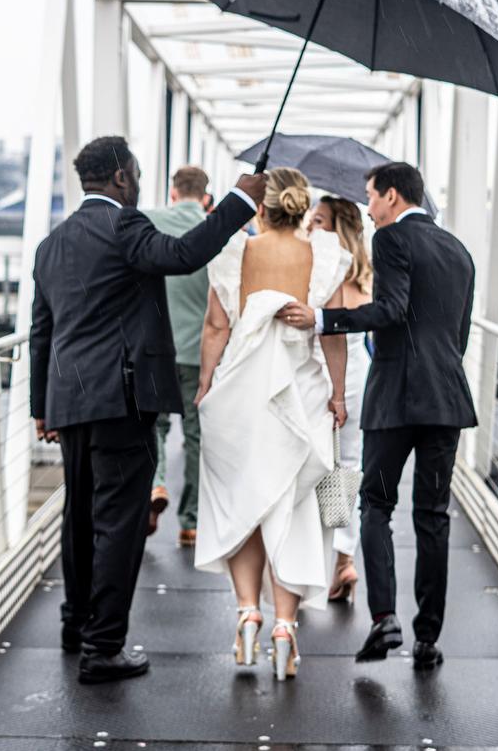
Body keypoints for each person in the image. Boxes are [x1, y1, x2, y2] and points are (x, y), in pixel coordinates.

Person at [29, 135, 266, 685]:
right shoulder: (125, 227)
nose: (137, 183)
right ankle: (103, 647)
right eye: (134, 173)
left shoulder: (52, 243)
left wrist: (42, 405)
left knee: (80, 517)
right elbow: (182, 257)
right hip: (122, 397)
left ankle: (76, 625)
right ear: (119, 178)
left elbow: (43, 331)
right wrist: (239, 201)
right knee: (119, 522)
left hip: (71, 400)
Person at [277, 162, 476, 672]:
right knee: (432, 517)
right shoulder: (459, 251)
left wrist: (323, 318)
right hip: (446, 400)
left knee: (376, 505)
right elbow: (458, 334)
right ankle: (428, 638)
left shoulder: (389, 240)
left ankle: (384, 617)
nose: (368, 206)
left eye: (371, 196)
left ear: (392, 195)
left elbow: (391, 310)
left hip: (394, 400)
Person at [195, 167, 351, 681]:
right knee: (294, 505)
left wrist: (204, 384)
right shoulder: (322, 255)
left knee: (243, 498)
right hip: (300, 388)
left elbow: (217, 326)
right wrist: (339, 392)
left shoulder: (234, 252)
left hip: (241, 386)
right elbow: (331, 333)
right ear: (303, 207)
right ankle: (285, 626)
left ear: (259, 206)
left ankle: (247, 613)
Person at [144, 165, 214, 547]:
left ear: (173, 193)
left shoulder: (150, 222)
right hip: (197, 351)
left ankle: (154, 485)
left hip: (156, 347)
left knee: (153, 426)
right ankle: (191, 521)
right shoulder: (216, 229)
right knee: (195, 437)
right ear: (205, 197)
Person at [308, 195, 373, 602]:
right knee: (349, 465)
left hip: (323, 369)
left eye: (318, 220)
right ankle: (343, 561)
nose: (312, 227)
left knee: (314, 463)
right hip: (358, 374)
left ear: (335, 227)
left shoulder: (326, 269)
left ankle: (313, 558)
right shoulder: (366, 273)